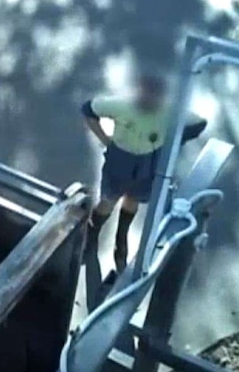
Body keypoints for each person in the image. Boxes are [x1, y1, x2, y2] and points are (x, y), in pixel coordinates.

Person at [81, 75, 207, 275]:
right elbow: (88, 109)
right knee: (108, 200)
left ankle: (121, 241)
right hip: (119, 161)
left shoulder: (168, 113)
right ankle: (91, 236)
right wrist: (105, 140)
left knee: (133, 198)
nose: (150, 100)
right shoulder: (120, 106)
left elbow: (199, 124)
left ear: (162, 97)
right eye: (146, 93)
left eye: (156, 96)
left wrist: (172, 143)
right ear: (138, 90)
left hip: (148, 163)